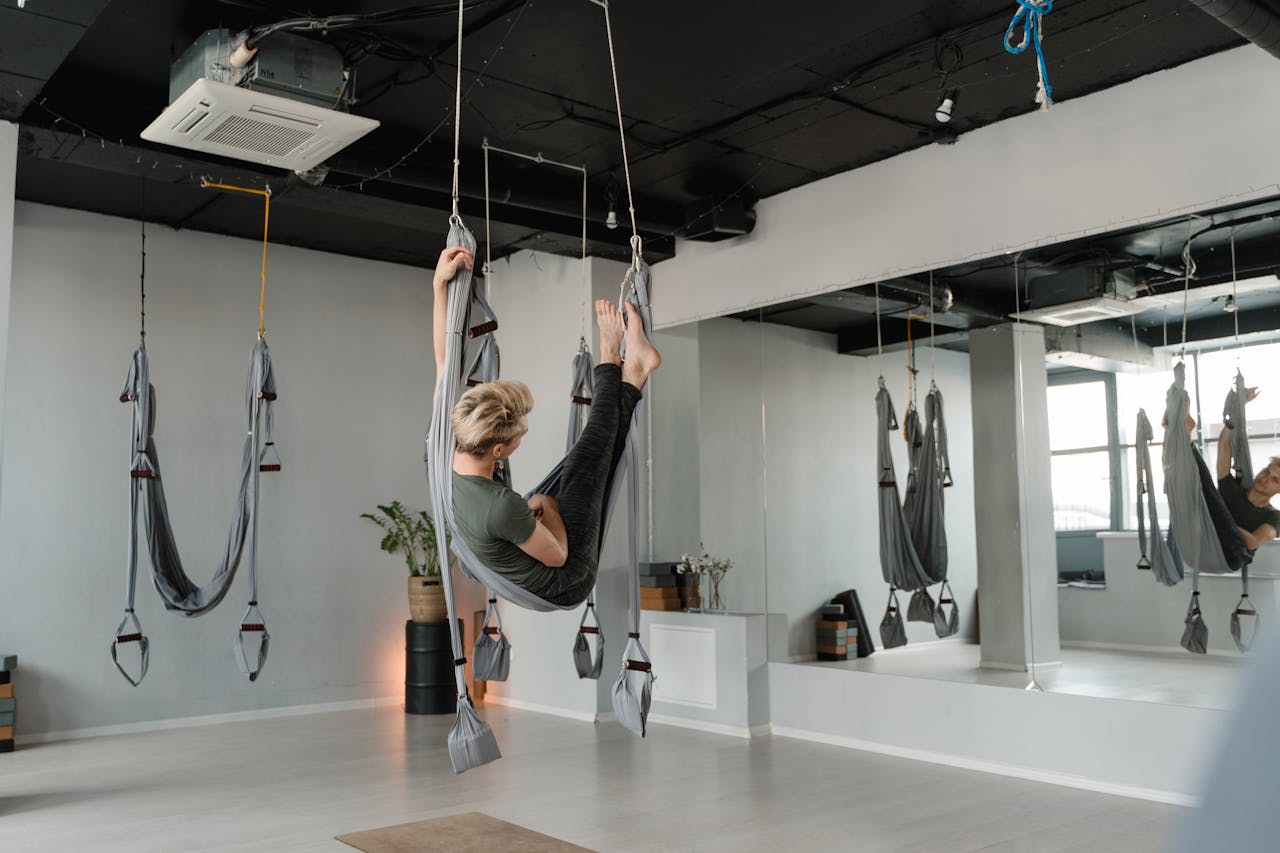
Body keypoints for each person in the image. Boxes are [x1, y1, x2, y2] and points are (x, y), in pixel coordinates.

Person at [431, 245, 662, 606]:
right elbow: (557, 556)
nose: (524, 431)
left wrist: (440, 286)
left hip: (519, 542)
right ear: (498, 451)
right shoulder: (499, 506)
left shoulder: (442, 448)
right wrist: (545, 505)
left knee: (592, 463)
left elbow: (445, 364)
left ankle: (633, 375)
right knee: (584, 462)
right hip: (566, 579)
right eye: (519, 434)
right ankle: (611, 358)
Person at [1215, 386, 1280, 551]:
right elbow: (1223, 446)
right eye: (1267, 471)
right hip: (1208, 544)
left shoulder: (1274, 516)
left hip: (1231, 557)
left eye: (1275, 480)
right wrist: (1239, 406)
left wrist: (1218, 517)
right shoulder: (1231, 489)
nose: (1265, 478)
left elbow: (1253, 542)